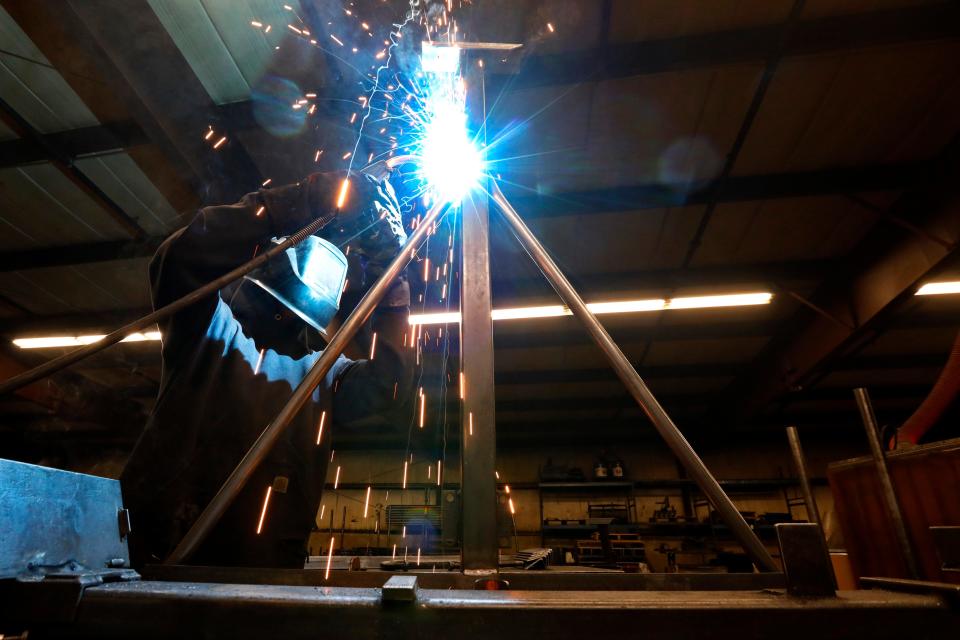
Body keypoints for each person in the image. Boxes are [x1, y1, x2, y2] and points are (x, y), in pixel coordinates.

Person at [120, 171, 413, 568]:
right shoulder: (211, 330)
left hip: (267, 574)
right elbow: (181, 257)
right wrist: (302, 200)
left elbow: (390, 387)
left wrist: (391, 276)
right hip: (164, 559)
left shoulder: (325, 371)